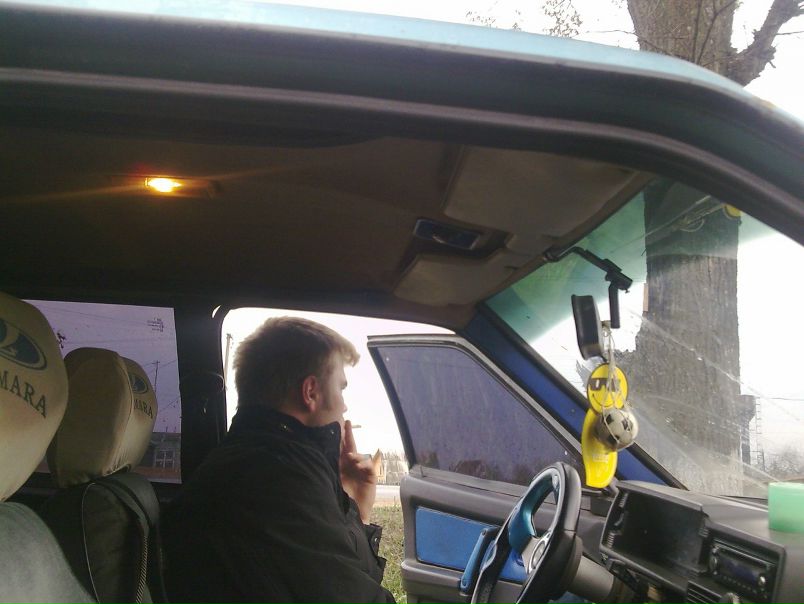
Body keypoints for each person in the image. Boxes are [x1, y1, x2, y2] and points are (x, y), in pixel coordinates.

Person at [162, 317, 396, 604]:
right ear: (311, 392)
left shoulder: (263, 461)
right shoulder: (273, 481)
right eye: (341, 387)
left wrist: (357, 509)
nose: (344, 406)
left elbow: (340, 578)